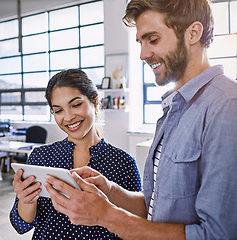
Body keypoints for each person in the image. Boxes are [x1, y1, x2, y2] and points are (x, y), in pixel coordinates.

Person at [44, 0, 237, 239]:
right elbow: (158, 207)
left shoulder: (227, 106)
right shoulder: (173, 109)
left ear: (193, 33)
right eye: (141, 42)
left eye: (153, 40)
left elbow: (219, 234)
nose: (143, 54)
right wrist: (110, 191)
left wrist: (107, 216)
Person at [9, 69, 142, 239]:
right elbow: (20, 225)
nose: (69, 117)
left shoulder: (123, 163)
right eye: (58, 111)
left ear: (95, 102)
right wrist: (26, 200)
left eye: (76, 105)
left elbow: (136, 226)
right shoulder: (40, 157)